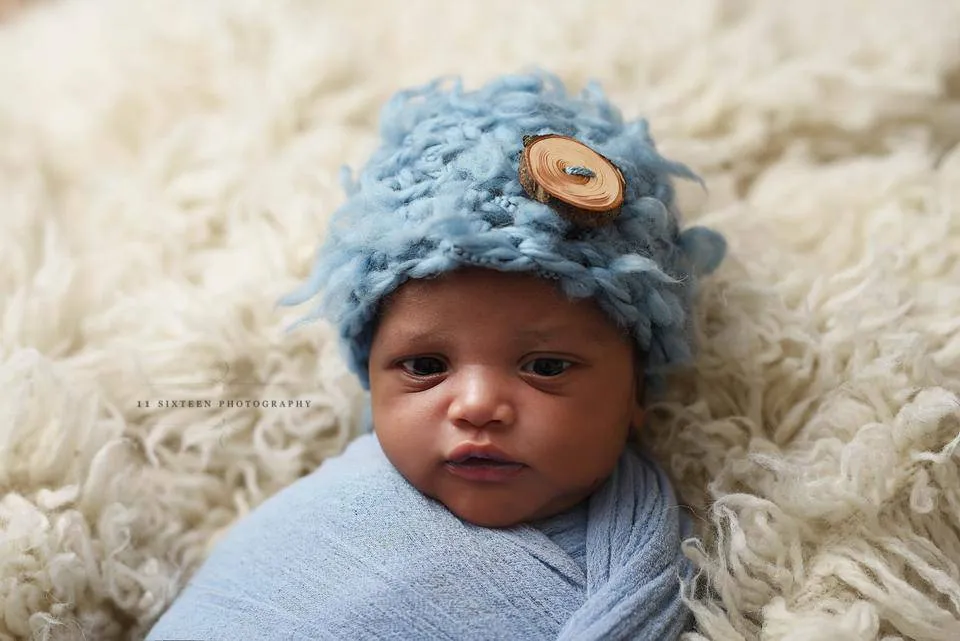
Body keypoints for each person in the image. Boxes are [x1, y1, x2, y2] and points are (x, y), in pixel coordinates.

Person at [146, 71, 726, 640]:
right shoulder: (313, 533)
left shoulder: (657, 554)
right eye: (425, 368)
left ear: (637, 394)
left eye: (546, 367)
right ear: (370, 380)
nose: (476, 406)